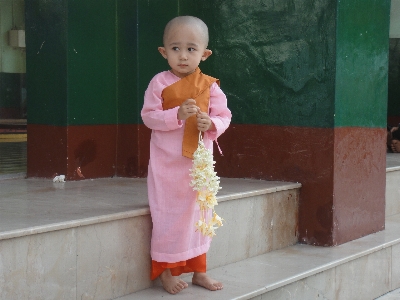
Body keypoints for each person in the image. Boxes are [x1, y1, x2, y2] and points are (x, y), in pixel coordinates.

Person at [141, 16, 232, 295]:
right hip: (167, 166)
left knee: (200, 215)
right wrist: (175, 115)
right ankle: (165, 272)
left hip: (198, 166)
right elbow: (149, 118)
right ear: (163, 52)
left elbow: (224, 116)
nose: (183, 56)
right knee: (167, 215)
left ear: (204, 54)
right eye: (175, 48)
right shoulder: (159, 83)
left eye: (191, 49)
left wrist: (211, 124)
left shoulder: (209, 85)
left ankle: (199, 271)